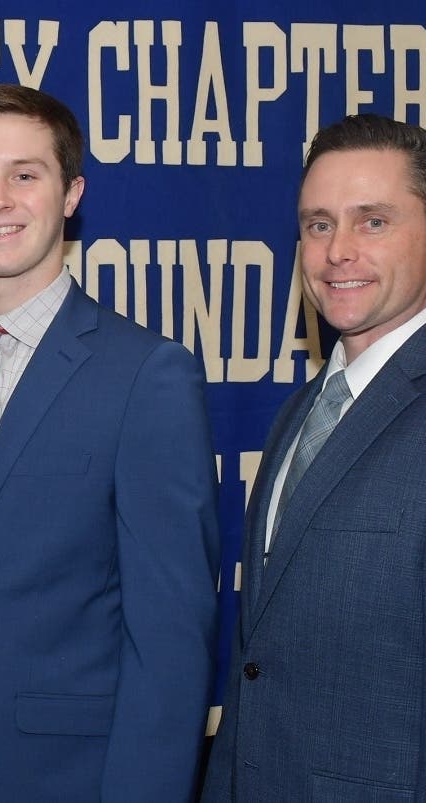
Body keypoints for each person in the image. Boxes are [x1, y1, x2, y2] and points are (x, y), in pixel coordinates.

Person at [0, 83, 221, 802]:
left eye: (25, 174)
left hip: (67, 779)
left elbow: (170, 640)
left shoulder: (145, 373)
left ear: (70, 194)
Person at [202, 115, 426, 800]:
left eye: (373, 222)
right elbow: (256, 661)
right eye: (317, 224)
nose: (337, 251)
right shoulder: (299, 413)